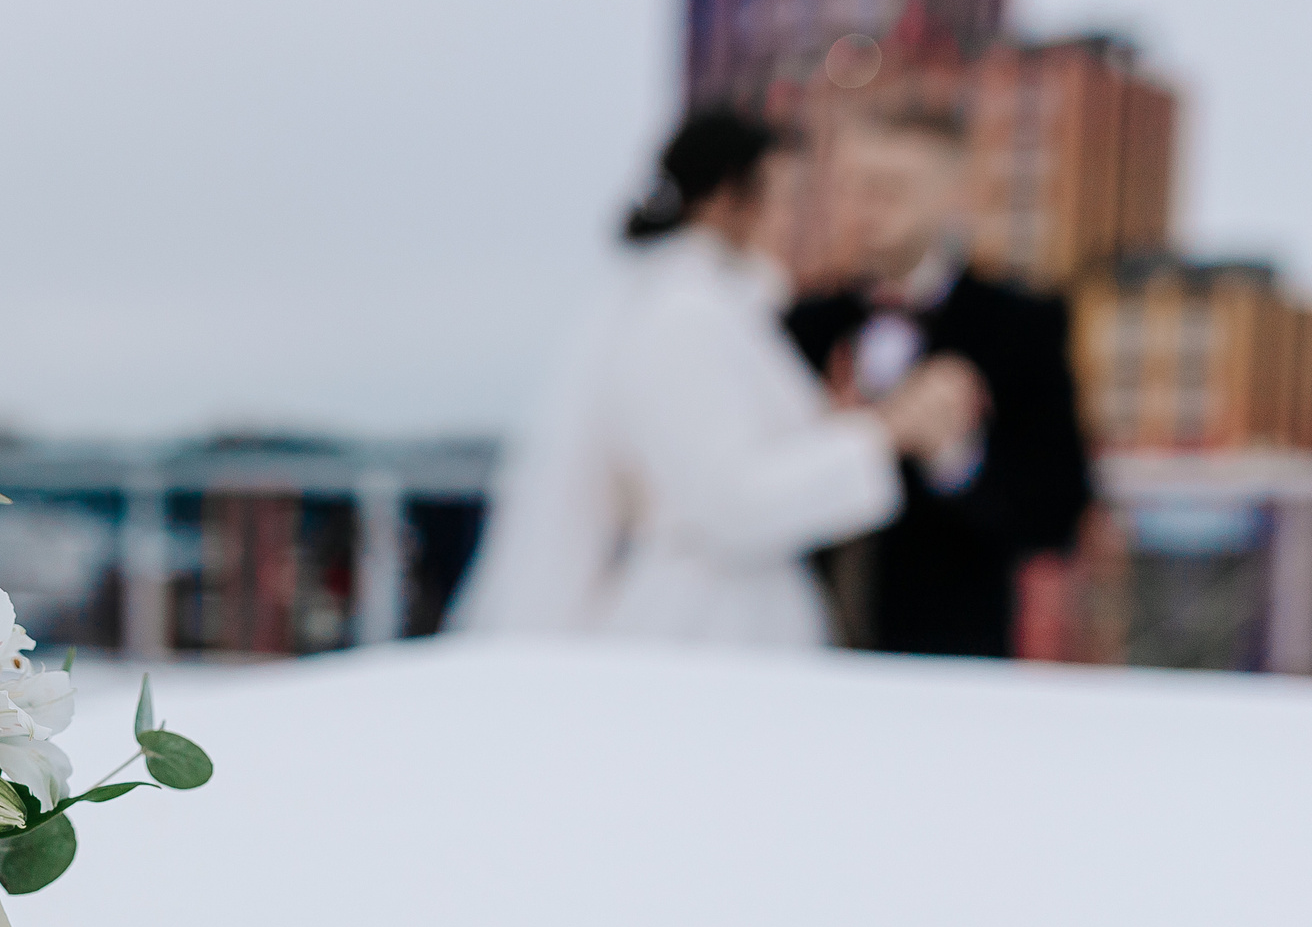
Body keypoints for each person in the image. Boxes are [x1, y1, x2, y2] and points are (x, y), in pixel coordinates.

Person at [461, 110, 980, 648]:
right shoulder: (684, 316)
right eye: (785, 198)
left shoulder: (721, 310)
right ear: (725, 202)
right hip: (706, 624)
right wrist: (884, 434)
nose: (799, 219)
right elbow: (731, 501)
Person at [785, 110, 1092, 657]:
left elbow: (1058, 513)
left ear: (955, 196)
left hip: (952, 667)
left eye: (893, 188)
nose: (867, 206)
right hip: (804, 650)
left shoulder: (1021, 324)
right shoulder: (800, 323)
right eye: (858, 187)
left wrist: (957, 458)